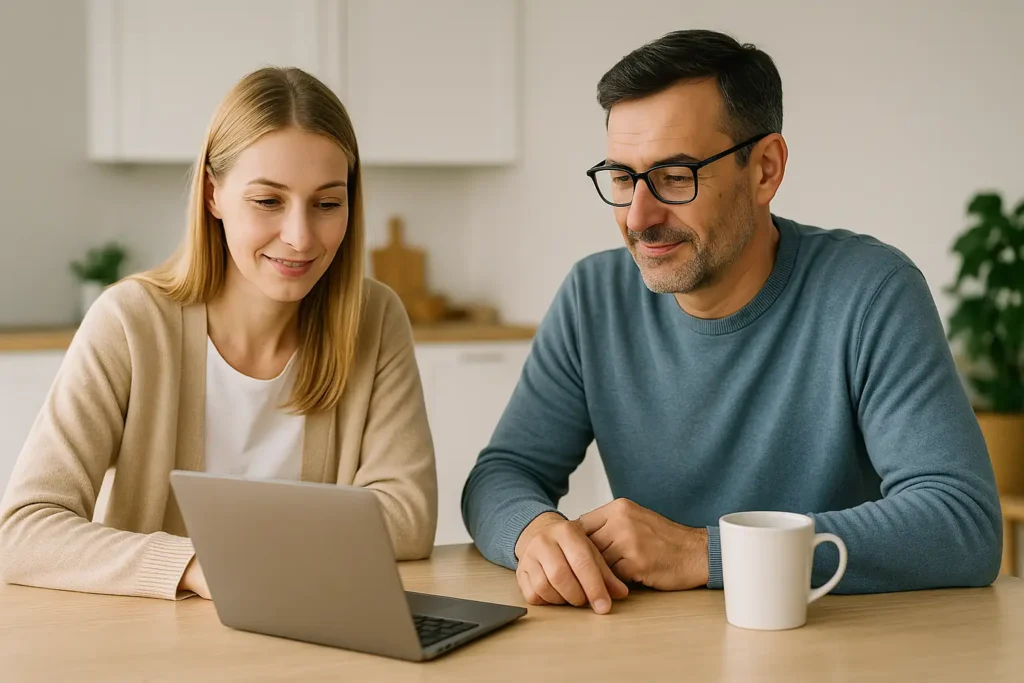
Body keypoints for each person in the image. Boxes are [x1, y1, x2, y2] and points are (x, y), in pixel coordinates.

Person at [461, 29, 1002, 614]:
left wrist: (704, 554)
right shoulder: (593, 295)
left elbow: (961, 522)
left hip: (832, 646)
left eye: (675, 176)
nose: (639, 217)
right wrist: (533, 531)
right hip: (648, 649)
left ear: (765, 168)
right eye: (622, 177)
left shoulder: (872, 292)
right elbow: (504, 473)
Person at [0, 67, 437, 600]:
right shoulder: (130, 322)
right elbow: (22, 531)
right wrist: (195, 565)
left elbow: (408, 519)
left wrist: (245, 553)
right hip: (156, 642)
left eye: (327, 204)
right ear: (213, 195)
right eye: (268, 201)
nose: (300, 237)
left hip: (312, 636)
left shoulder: (374, 318)